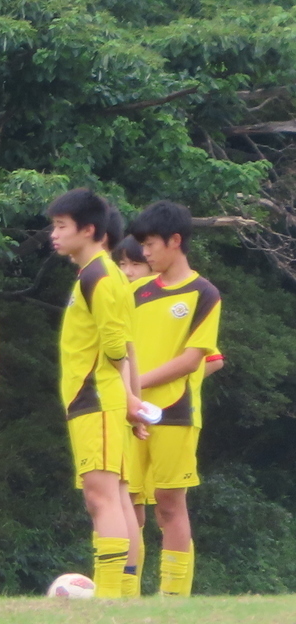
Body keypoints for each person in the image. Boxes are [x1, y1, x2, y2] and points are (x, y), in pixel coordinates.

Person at [47, 188, 146, 598]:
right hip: (99, 400)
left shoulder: (100, 276)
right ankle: (124, 594)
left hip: (97, 400)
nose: (54, 235)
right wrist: (131, 400)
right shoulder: (95, 274)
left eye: (61, 226)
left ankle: (108, 595)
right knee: (117, 497)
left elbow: (115, 347)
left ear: (89, 230)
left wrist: (127, 399)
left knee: (101, 498)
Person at [127, 200, 224, 596]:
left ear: (175, 241)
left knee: (169, 503)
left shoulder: (204, 293)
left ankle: (173, 595)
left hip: (175, 411)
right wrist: (125, 395)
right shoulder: (134, 292)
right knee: (126, 500)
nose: (145, 253)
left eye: (150, 245)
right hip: (128, 411)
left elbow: (191, 360)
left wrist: (138, 384)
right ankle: (123, 590)